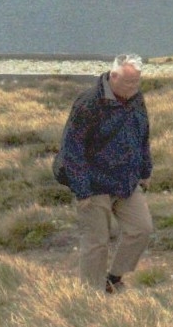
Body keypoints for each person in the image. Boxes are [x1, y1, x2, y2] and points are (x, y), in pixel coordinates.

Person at [58, 54, 155, 293]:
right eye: (129, 82)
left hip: (125, 181)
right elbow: (72, 149)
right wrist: (82, 190)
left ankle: (114, 278)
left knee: (141, 229)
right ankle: (91, 295)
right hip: (93, 184)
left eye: (137, 82)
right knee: (96, 242)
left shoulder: (136, 99)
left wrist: (145, 170)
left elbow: (142, 136)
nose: (134, 88)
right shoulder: (88, 102)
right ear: (113, 76)